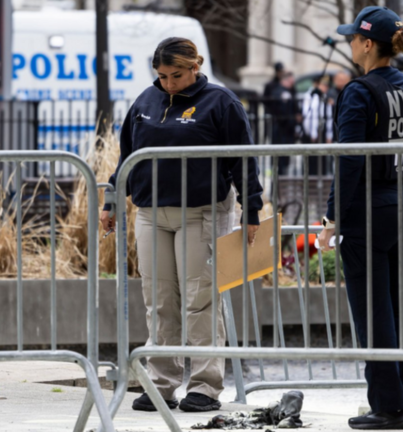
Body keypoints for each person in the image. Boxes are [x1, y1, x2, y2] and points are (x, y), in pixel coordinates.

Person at [101, 37, 264, 413]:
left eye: (177, 75)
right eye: (162, 76)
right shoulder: (145, 101)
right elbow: (128, 157)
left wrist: (251, 210)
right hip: (150, 212)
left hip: (202, 211)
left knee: (199, 300)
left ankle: (206, 386)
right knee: (157, 300)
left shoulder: (221, 102)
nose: (169, 84)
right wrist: (112, 199)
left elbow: (244, 159)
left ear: (196, 66)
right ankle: (161, 381)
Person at [318, 7, 403, 430]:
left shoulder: (358, 91)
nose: (349, 42)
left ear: (368, 44)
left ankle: (390, 408)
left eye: (353, 37)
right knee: (397, 305)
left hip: (373, 207)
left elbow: (348, 160)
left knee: (373, 311)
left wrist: (332, 218)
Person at [270, 71, 298, 174]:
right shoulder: (279, 92)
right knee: (280, 158)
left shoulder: (289, 91)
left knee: (285, 157)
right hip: (281, 129)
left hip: (288, 129)